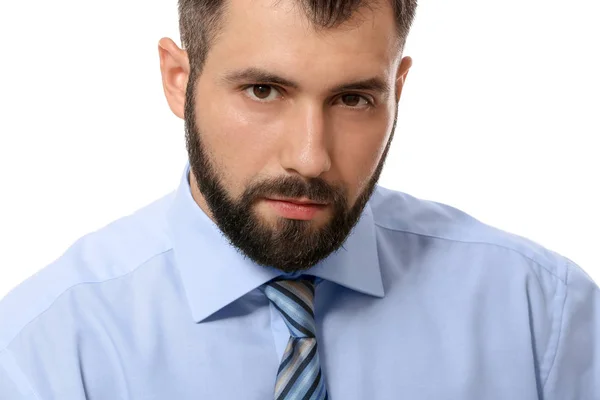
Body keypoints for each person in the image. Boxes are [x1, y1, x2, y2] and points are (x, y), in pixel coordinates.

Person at [1, 0, 598, 398]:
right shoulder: (47, 352)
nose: (311, 158)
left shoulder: (543, 315)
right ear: (178, 80)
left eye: (354, 99)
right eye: (263, 91)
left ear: (398, 88)